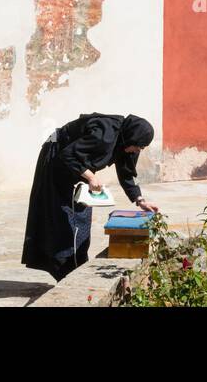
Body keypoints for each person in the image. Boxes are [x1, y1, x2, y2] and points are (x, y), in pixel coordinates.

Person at [21, 112, 158, 281]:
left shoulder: (127, 141)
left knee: (81, 219)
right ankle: (65, 274)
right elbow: (67, 155)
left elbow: (126, 173)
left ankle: (75, 271)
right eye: (138, 146)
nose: (138, 150)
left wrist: (140, 200)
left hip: (76, 168)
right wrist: (91, 177)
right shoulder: (104, 135)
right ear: (132, 137)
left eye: (141, 148)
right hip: (55, 162)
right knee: (61, 221)